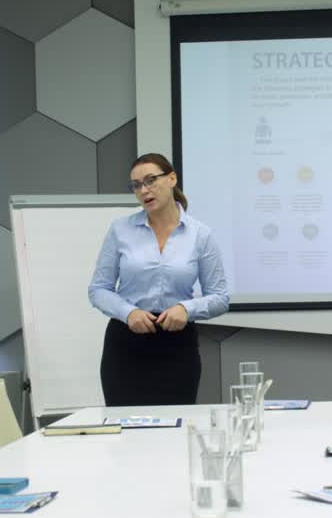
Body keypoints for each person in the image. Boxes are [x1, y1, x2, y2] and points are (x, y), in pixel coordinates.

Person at [89, 153, 230, 405]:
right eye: (136, 185)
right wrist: (128, 312)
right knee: (125, 432)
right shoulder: (120, 230)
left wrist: (186, 309)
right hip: (126, 342)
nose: (144, 190)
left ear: (172, 178)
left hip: (177, 344)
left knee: (174, 431)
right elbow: (99, 289)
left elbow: (220, 298)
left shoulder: (200, 234)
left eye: (151, 180)